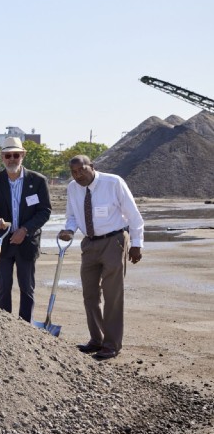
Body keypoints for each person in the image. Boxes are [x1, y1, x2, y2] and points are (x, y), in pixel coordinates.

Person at [57, 155, 144, 361]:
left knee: (112, 294)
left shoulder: (113, 183)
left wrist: (137, 244)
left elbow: (133, 215)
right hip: (89, 244)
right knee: (90, 294)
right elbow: (72, 215)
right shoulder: (72, 188)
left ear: (92, 167)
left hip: (114, 241)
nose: (78, 175)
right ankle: (96, 339)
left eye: (82, 170)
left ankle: (112, 344)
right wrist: (69, 230)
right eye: (74, 172)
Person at [0, 137, 51, 322]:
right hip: (1, 242)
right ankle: (6, 328)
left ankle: (25, 328)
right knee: (3, 288)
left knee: (27, 288)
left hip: (27, 242)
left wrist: (25, 230)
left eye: (15, 155)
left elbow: (44, 211)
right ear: (2, 157)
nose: (12, 159)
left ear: (23, 155)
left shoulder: (37, 181)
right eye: (7, 155)